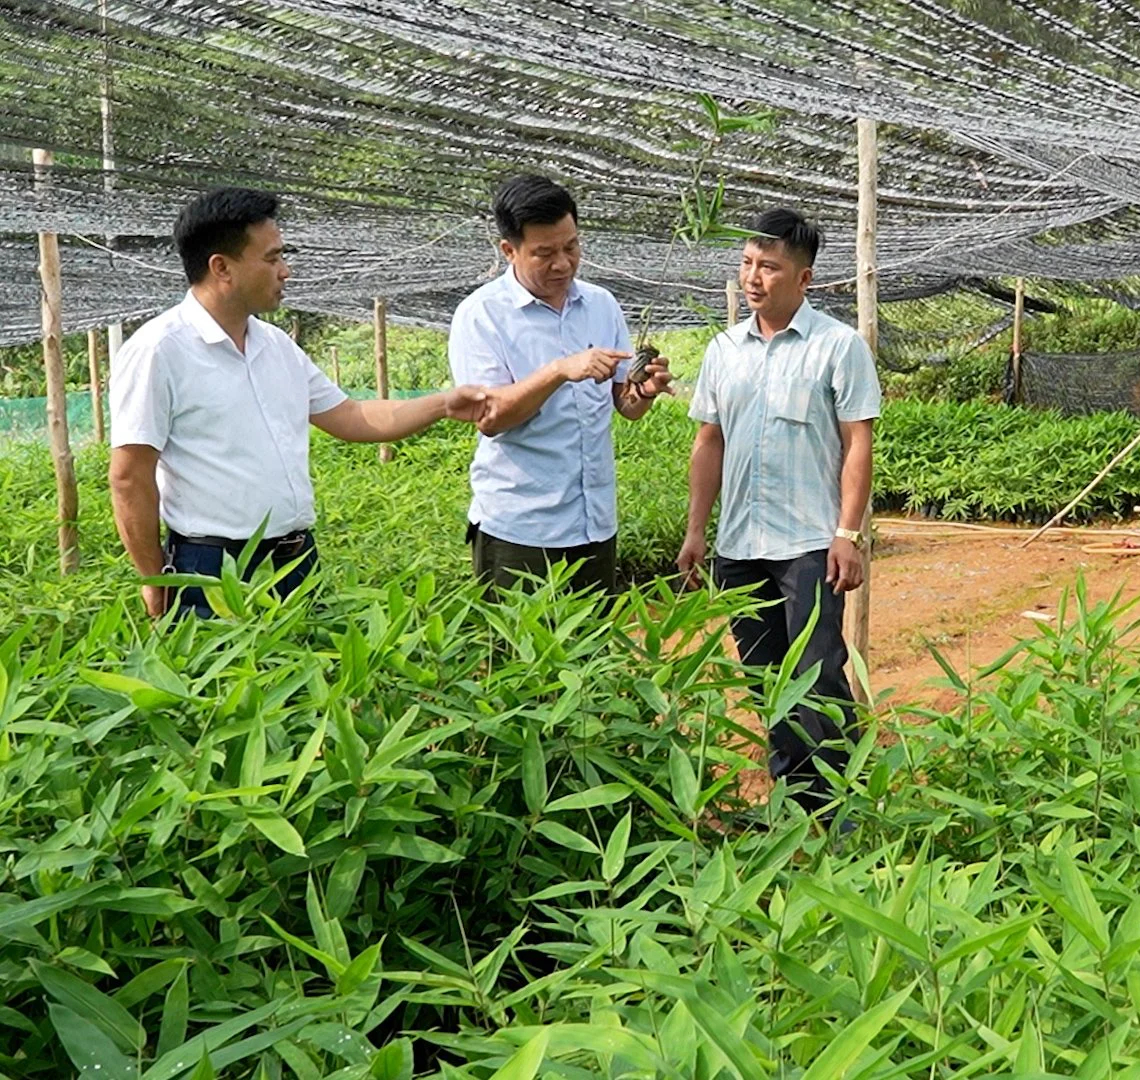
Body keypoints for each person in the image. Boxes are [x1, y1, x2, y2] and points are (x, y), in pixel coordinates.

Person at [109, 187, 492, 619]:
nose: (285, 271)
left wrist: (443, 403)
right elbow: (129, 476)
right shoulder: (160, 350)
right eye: (272, 259)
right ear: (222, 268)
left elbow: (351, 416)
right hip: (214, 570)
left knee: (303, 682)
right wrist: (155, 578)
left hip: (294, 559)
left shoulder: (275, 345)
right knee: (221, 683)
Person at [677, 208, 882, 817]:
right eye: (746, 263)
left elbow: (858, 444)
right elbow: (708, 442)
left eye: (769, 266)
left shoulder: (837, 347)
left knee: (818, 675)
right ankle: (794, 804)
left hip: (809, 544)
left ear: (804, 278)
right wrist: (695, 531)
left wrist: (847, 532)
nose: (753, 277)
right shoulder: (723, 351)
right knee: (766, 682)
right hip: (739, 547)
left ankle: (844, 810)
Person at [448, 174, 673, 595]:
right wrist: (558, 371)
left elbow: (625, 404)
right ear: (509, 250)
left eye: (571, 247)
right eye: (544, 253)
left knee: (594, 655)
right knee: (522, 657)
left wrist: (644, 392)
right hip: (521, 529)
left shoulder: (600, 305)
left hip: (594, 522)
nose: (563, 264)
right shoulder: (481, 316)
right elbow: (491, 419)